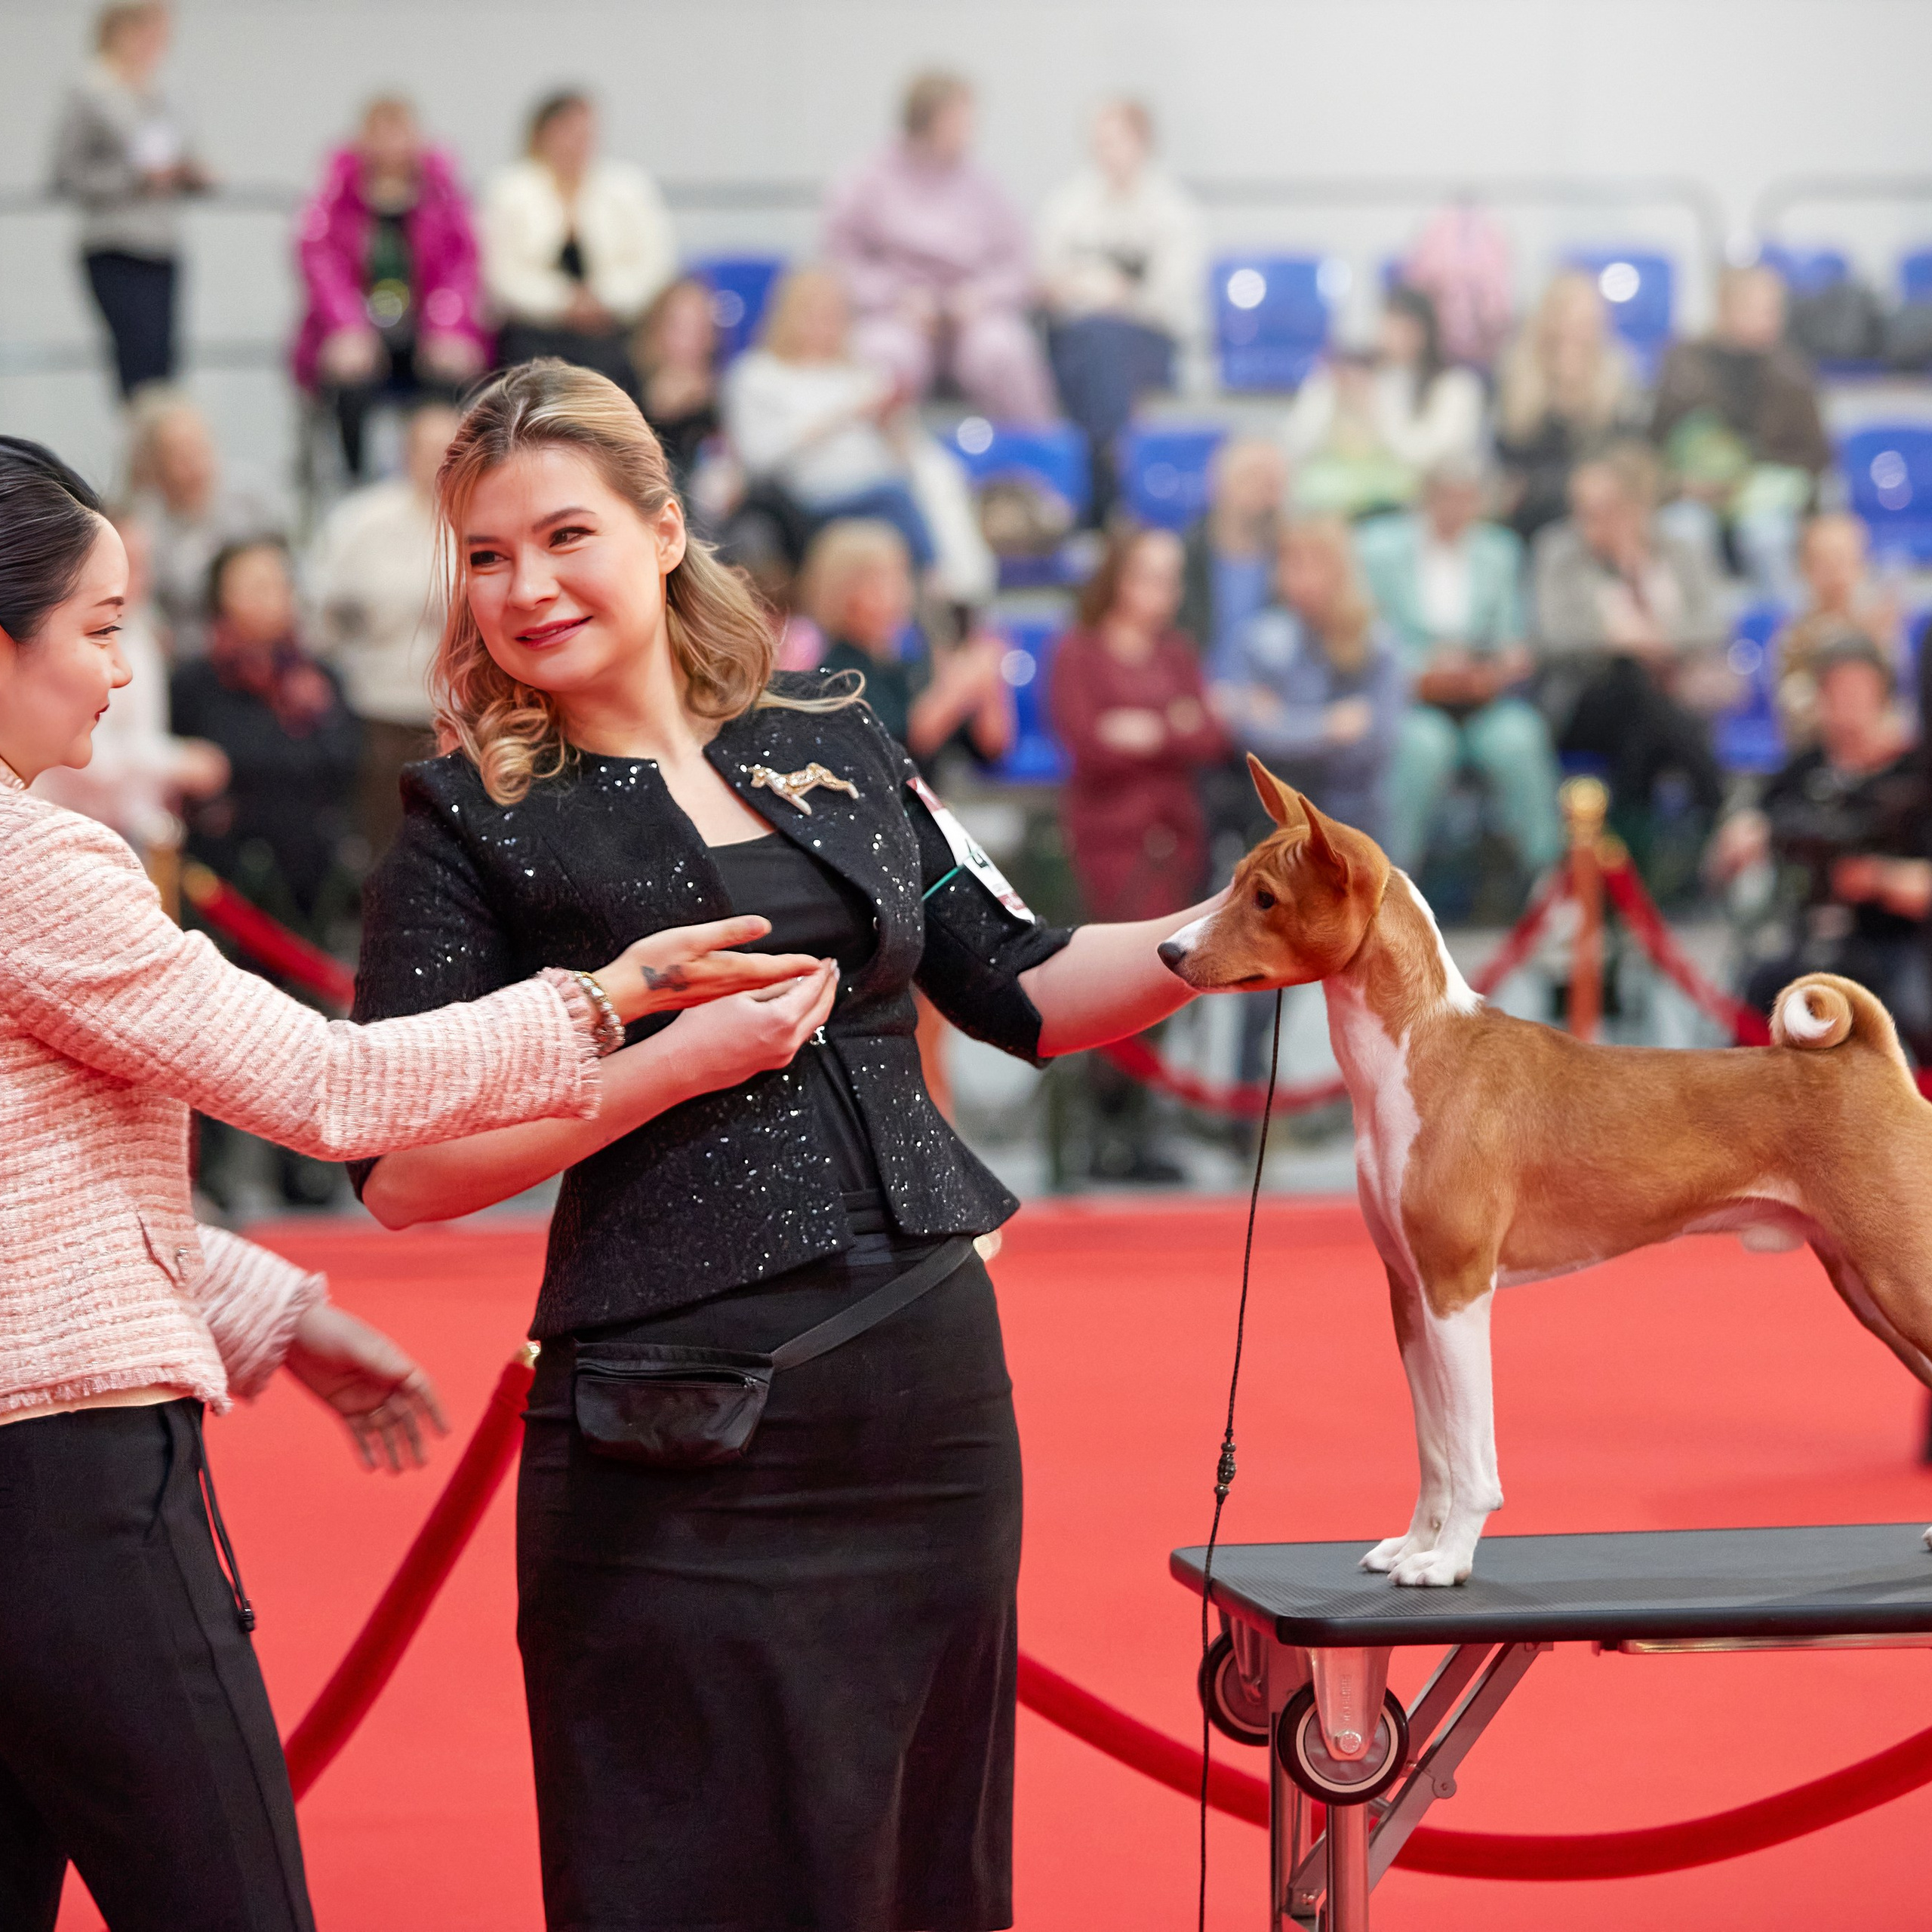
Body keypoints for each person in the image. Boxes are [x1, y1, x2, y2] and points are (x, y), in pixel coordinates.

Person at [347, 358, 1226, 1932]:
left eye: (565, 535)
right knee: (680, 1861)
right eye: (484, 554)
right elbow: (399, 1168)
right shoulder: (464, 818)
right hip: (672, 1422)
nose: (525, 586)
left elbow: (1014, 980)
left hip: (928, 1396)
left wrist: (1222, 933)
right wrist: (665, 1066)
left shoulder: (827, 723)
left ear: (665, 528)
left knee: (919, 1854)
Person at [0, 432, 806, 1932]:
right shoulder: (37, 863)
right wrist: (604, 998)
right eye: (102, 628)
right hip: (69, 1495)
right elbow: (329, 1087)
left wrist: (275, 1307)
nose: (124, 672)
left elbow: (27, 1188)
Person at [1051, 525, 1227, 1181]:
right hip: (1111, 841)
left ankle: (1139, 1125)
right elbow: (1088, 742)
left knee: (1170, 980)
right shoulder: (1081, 651)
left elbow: (1209, 731)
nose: (1162, 591)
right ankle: (1101, 1127)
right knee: (1116, 978)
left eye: (1171, 577)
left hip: (1176, 837)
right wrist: (1169, 728)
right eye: (1148, 574)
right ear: (1118, 579)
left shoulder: (1177, 651)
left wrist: (1145, 731)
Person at [1711, 635, 1932, 1060]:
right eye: (1835, 693)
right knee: (1761, 990)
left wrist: (1880, 880)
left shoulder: (1914, 775)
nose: (1846, 706)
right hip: (1808, 938)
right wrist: (1744, 835)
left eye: (1857, 693)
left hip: (1893, 944)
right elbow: (1733, 846)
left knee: (1912, 1007)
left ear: (1883, 697)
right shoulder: (1802, 771)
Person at [1357, 460, 1564, 876]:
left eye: (1465, 500)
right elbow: (1366, 634)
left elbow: (1512, 637)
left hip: (1481, 695)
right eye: (1445, 498)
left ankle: (1546, 876)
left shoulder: (1499, 551)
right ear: (1425, 499)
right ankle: (1393, 877)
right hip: (1411, 698)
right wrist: (1423, 666)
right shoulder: (1377, 548)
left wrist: (1502, 662)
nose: (1455, 510)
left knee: (1520, 738)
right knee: (1421, 747)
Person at [1531, 444, 1728, 863]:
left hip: (1669, 700)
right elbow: (1552, 637)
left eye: (1605, 508)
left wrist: (1658, 639)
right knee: (1631, 679)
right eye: (1584, 509)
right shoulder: (1559, 553)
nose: (1593, 520)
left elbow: (1713, 623)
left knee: (1644, 730)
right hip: (1587, 700)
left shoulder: (1678, 551)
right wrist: (1617, 641)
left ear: (1635, 505)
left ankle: (1625, 864)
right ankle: (1717, 810)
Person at [823, 70, 1056, 423]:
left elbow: (1018, 264)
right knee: (882, 356)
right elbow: (840, 263)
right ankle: (885, 470)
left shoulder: (983, 185)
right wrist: (895, 296)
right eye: (961, 119)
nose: (970, 129)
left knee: (1003, 351)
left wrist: (982, 296)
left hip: (973, 317)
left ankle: (1038, 461)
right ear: (928, 120)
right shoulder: (865, 182)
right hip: (897, 315)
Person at [291, 94, 486, 478]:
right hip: (357, 328)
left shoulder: (443, 195)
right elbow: (320, 265)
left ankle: (440, 473)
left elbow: (462, 265)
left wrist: (448, 327)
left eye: (400, 132)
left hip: (424, 326)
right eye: (381, 133)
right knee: (350, 379)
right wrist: (347, 328)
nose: (391, 145)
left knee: (449, 375)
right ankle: (356, 479)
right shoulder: (336, 196)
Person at [1036, 98, 1204, 517]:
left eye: (1114, 141)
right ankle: (1114, 475)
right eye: (1098, 142)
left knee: (1102, 345)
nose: (1104, 152)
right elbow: (1045, 280)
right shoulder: (1068, 204)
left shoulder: (1174, 210)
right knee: (1086, 346)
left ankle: (1099, 488)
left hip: (1145, 343)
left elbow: (1172, 301)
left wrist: (1115, 295)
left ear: (1142, 142)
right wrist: (1096, 293)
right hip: (1074, 341)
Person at [309, 401, 460, 855]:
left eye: (450, 449)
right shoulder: (361, 520)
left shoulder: (481, 519)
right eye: (428, 449)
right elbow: (321, 604)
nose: (438, 461)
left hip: (460, 707)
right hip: (376, 704)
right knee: (387, 836)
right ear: (406, 453)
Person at [33, 509, 228, 851]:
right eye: (127, 562)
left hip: (129, 834)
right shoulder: (60, 636)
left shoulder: (141, 629)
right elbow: (85, 755)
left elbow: (143, 733)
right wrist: (177, 762)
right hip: (60, 831)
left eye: (143, 563)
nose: (141, 577)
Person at [1209, 516, 1406, 844]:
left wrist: (1282, 719)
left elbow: (1375, 745)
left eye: (1318, 564)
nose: (1304, 578)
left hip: (1354, 822)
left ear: (1343, 570)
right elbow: (1251, 740)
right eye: (1292, 563)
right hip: (1277, 823)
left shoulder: (1378, 645)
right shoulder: (1260, 641)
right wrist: (1328, 726)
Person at [723, 266, 936, 569]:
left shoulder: (865, 374)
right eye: (812, 312)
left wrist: (891, 425)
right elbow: (757, 459)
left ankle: (944, 587)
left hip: (874, 483)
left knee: (927, 484)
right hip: (803, 498)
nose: (823, 324)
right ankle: (939, 585)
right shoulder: (757, 374)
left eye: (833, 313)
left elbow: (908, 459)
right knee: (896, 500)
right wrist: (838, 418)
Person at [48, 2, 210, 398]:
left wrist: (190, 174)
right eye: (150, 33)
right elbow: (66, 175)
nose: (158, 44)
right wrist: (133, 180)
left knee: (164, 364)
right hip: (114, 243)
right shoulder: (90, 90)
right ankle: (143, 453)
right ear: (121, 32)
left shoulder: (162, 92)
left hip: (162, 242)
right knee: (136, 364)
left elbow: (175, 152)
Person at [1651, 263, 1832, 600]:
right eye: (1758, 308)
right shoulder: (1684, 363)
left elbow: (1816, 456)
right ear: (1725, 306)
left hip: (1765, 498)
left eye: (1774, 309)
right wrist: (1682, 485)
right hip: (1692, 496)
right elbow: (1658, 444)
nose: (1770, 318)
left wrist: (1748, 478)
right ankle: (1700, 634)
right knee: (1683, 529)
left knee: (1767, 535)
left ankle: (1780, 633)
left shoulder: (1791, 371)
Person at [483, 91, 675, 398]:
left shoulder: (627, 187)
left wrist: (603, 299)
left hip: (614, 329)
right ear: (542, 132)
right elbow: (501, 273)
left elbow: (653, 264)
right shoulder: (511, 190)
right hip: (534, 332)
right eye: (566, 130)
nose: (576, 141)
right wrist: (564, 303)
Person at [796, 518, 1011, 766]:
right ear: (842, 592)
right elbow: (903, 742)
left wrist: (987, 676)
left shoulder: (904, 667)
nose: (898, 594)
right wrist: (957, 685)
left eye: (901, 579)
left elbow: (991, 746)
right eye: (880, 583)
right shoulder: (836, 674)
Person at [1281, 285, 1485, 519]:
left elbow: (1430, 458)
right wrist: (1327, 392)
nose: (1396, 334)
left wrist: (1373, 408)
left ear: (1428, 330)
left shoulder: (1455, 386)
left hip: (1412, 512)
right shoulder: (1344, 374)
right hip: (1331, 508)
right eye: (1390, 322)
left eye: (1408, 326)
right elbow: (1297, 442)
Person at [1494, 269, 1647, 545]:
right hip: (1533, 519)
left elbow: (1624, 458)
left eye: (1584, 322)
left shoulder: (1618, 374)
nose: (1574, 331)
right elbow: (1511, 472)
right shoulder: (1517, 373)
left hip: (1599, 512)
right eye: (1565, 319)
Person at [124, 386, 278, 657]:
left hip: (262, 642)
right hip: (191, 657)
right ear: (156, 465)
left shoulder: (249, 497)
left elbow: (284, 569)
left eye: (201, 447)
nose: (197, 464)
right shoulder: (146, 525)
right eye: (180, 455)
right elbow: (145, 608)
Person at [1773, 512, 1904, 746]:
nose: (1836, 571)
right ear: (1805, 567)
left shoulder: (1882, 628)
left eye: (1845, 559)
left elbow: (1897, 703)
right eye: (1825, 561)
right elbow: (1798, 713)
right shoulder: (1795, 639)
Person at [1177, 437, 1289, 663]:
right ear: (1218, 482)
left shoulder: (1294, 561)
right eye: (1251, 477)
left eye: (1272, 482)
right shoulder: (1182, 556)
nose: (1262, 490)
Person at [632, 275, 721, 499]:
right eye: (682, 327)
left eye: (702, 326)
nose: (694, 339)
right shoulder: (626, 388)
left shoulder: (726, 392)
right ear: (656, 331)